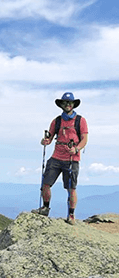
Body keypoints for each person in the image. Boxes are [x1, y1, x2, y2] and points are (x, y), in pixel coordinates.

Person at [32, 92, 88, 225]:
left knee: (71, 188)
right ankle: (45, 208)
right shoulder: (56, 121)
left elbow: (84, 139)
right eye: (65, 103)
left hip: (71, 158)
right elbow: (49, 138)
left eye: (70, 103)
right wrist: (45, 141)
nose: (68, 105)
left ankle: (71, 215)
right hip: (57, 157)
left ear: (74, 104)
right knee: (46, 184)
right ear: (61, 105)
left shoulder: (81, 120)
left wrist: (76, 149)